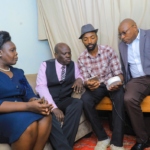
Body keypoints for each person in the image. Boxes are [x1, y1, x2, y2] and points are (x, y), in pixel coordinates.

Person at [0, 31, 53, 150]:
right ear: (0, 53)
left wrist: (37, 102)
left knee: (46, 115)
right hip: (3, 115)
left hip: (23, 111)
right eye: (12, 50)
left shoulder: (19, 72)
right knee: (28, 124)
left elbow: (28, 93)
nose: (16, 53)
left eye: (15, 50)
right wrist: (29, 106)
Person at [78, 24, 125, 150]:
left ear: (96, 37)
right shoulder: (81, 58)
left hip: (111, 83)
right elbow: (85, 79)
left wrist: (118, 82)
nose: (89, 41)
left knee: (120, 96)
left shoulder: (108, 50)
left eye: (92, 37)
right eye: (85, 39)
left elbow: (119, 74)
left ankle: (117, 142)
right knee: (85, 100)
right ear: (83, 41)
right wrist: (88, 83)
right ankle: (103, 138)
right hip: (97, 87)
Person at [36, 43, 83, 150]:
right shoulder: (45, 65)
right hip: (48, 101)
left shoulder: (73, 65)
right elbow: (40, 87)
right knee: (48, 115)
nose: (68, 56)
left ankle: (63, 146)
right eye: (64, 53)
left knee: (78, 103)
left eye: (69, 53)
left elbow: (80, 75)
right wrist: (54, 107)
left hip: (64, 99)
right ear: (56, 54)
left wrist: (80, 79)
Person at [118, 18, 150, 150]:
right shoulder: (122, 46)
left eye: (124, 33)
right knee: (128, 98)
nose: (122, 37)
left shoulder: (148, 35)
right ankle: (143, 139)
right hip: (137, 80)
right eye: (120, 34)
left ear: (135, 27)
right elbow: (125, 68)